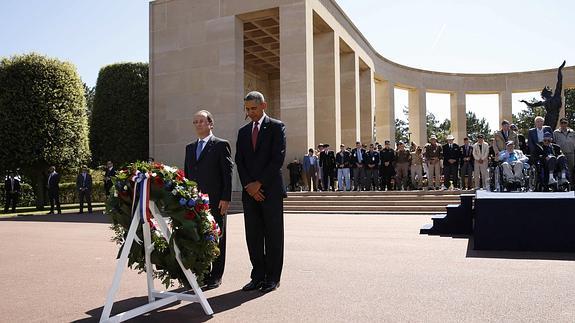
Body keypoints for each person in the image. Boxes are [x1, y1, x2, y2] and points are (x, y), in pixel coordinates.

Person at [235, 91, 286, 293]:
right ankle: (257, 276)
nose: (250, 113)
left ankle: (273, 277)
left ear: (263, 106)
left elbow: (277, 159)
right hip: (250, 193)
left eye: (253, 109)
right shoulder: (243, 132)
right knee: (253, 235)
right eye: (247, 109)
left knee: (273, 235)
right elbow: (240, 161)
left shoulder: (276, 127)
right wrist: (249, 185)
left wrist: (259, 183)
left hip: (271, 191)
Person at [184, 110, 233, 290]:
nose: (198, 124)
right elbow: (188, 176)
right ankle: (202, 273)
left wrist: (226, 198)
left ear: (211, 124)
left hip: (216, 201)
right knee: (197, 237)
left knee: (217, 237)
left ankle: (216, 275)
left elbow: (227, 174)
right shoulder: (189, 148)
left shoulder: (220, 145)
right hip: (195, 203)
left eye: (202, 121)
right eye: (195, 122)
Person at [520, 60, 566, 129]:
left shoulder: (553, 98)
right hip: (550, 117)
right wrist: (525, 102)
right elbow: (532, 105)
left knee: (550, 130)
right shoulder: (545, 101)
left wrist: (559, 70)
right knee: (548, 130)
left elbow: (559, 82)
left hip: (553, 117)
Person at [553, 118, 575, 185]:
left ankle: (571, 184)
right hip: (561, 154)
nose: (563, 124)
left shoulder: (572, 132)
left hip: (571, 153)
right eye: (562, 123)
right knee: (562, 169)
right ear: (560, 124)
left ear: (567, 123)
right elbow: (554, 143)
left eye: (565, 123)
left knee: (571, 169)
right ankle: (562, 184)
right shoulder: (556, 132)